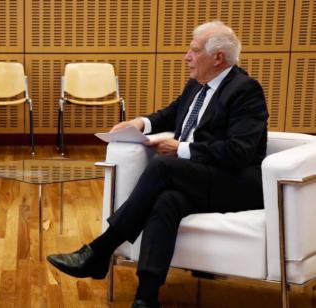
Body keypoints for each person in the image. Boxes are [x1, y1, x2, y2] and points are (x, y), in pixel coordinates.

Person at [47, 20, 268, 308]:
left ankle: (100, 250)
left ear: (218, 57)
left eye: (194, 50)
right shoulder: (198, 86)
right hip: (202, 179)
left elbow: (240, 151)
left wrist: (183, 149)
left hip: (237, 183)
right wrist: (141, 122)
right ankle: (146, 298)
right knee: (167, 200)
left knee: (164, 167)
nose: (186, 56)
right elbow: (172, 113)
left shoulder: (245, 90)